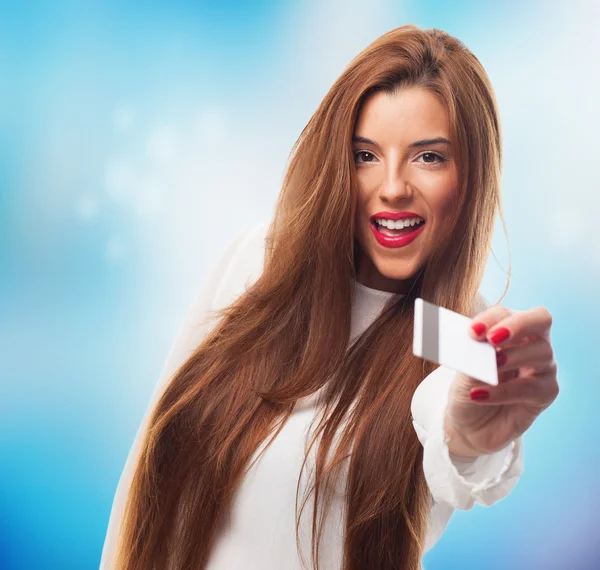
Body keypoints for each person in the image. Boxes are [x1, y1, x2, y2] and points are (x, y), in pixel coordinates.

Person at [100, 24, 559, 570]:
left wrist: (470, 432)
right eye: (365, 155)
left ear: (472, 175)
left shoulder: (462, 331)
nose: (392, 186)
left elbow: (463, 448)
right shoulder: (257, 261)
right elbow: (141, 481)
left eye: (428, 158)